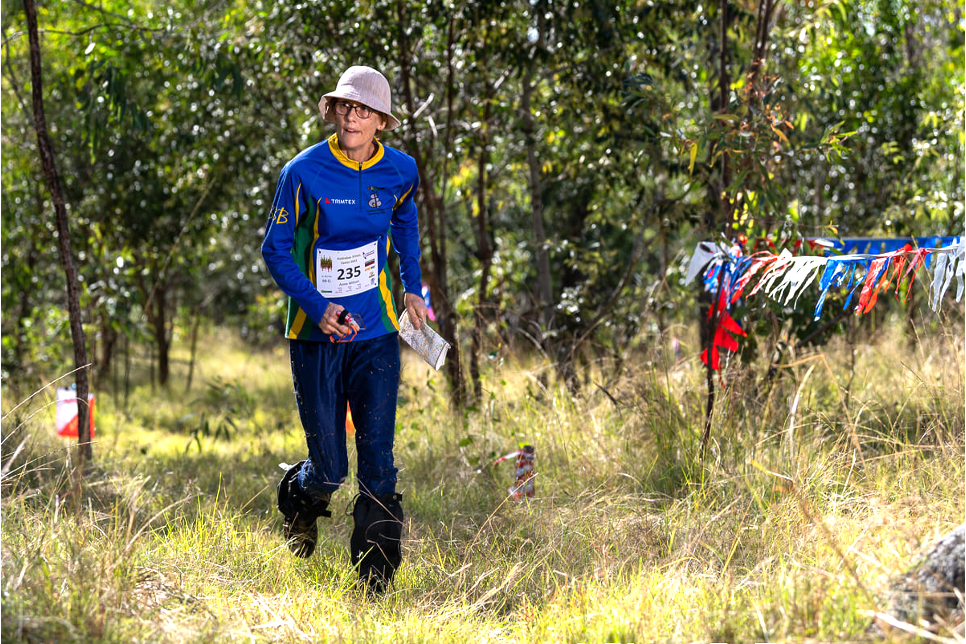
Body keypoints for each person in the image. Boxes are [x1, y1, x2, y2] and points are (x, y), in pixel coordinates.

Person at [261, 65, 428, 592]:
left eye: (364, 110)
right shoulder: (304, 171)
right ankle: (299, 498)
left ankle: (375, 579)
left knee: (379, 462)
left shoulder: (400, 171)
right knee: (330, 468)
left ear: (381, 120)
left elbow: (405, 223)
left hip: (376, 332)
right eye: (345, 107)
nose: (353, 117)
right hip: (316, 337)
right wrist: (316, 305)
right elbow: (276, 249)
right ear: (334, 112)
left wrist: (413, 287)